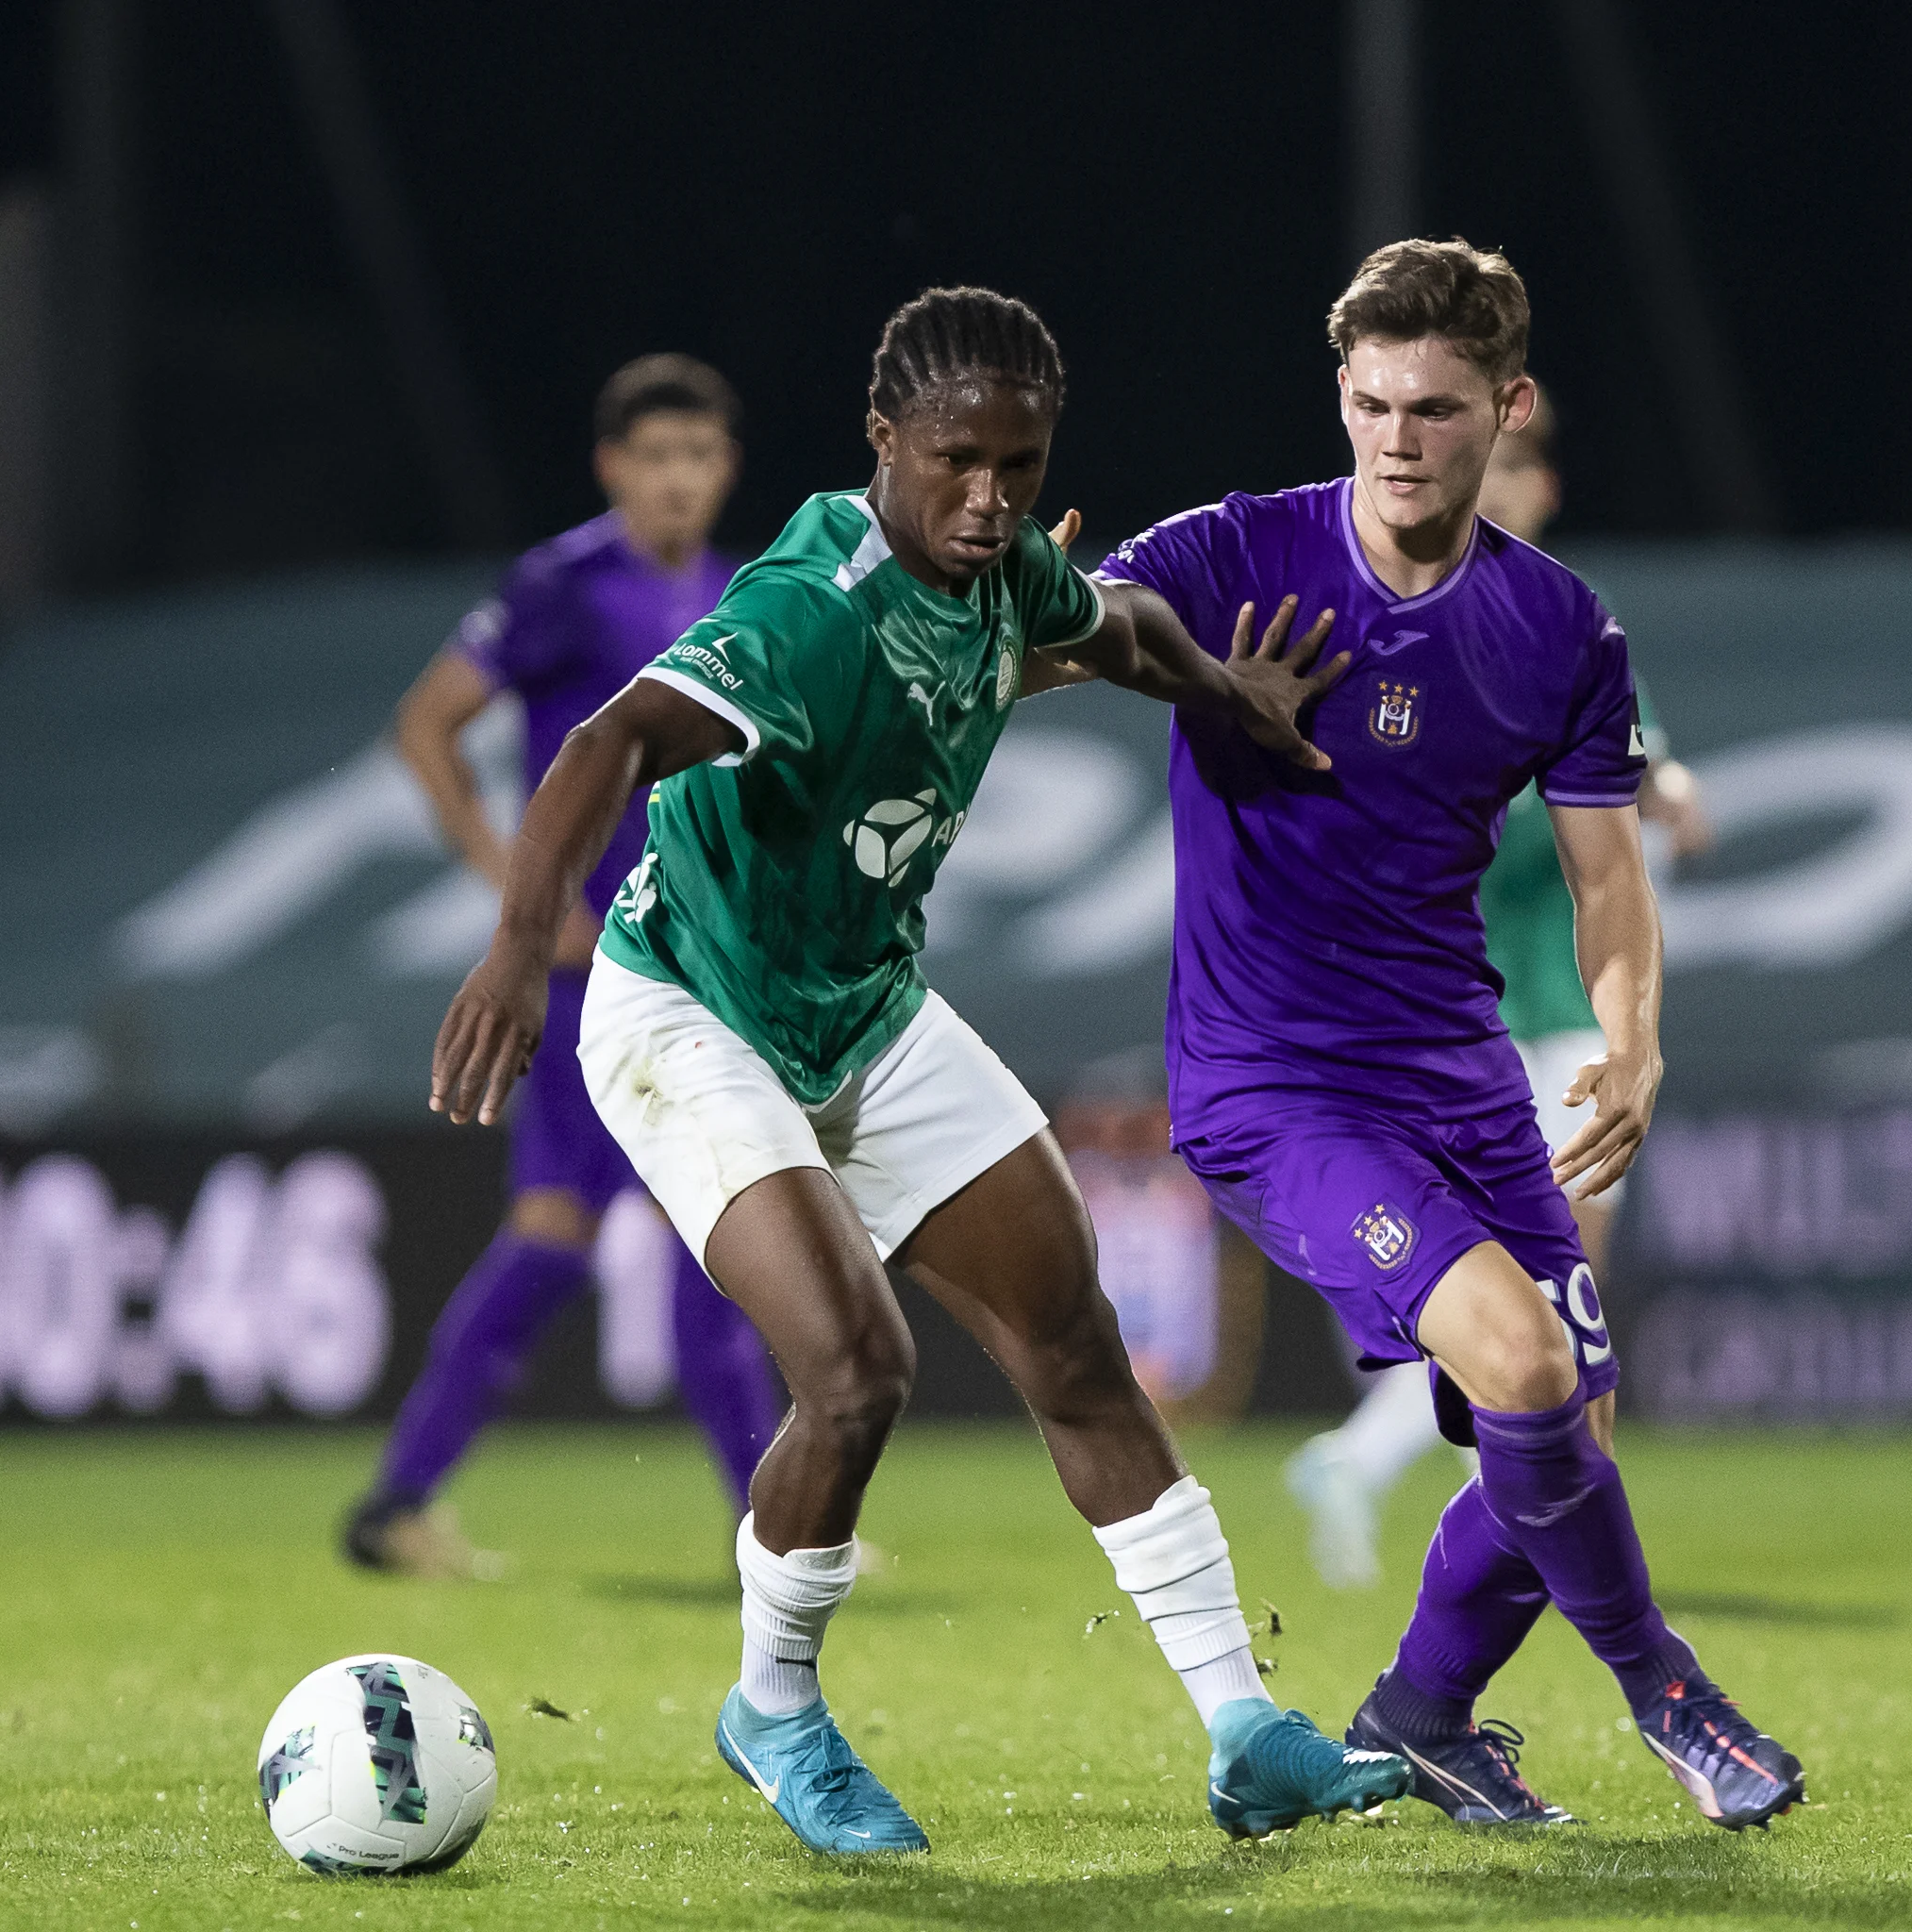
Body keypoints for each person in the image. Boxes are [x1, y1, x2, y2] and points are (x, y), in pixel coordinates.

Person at [428, 287, 1413, 1855]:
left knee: (1077, 1346)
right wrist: (509, 940)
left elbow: (1119, 622)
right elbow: (606, 739)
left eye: (1019, 466)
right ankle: (774, 1706)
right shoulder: (809, 605)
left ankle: (1245, 1726)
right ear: (881, 441)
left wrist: (1231, 697)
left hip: (866, 1007)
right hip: (691, 1010)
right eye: (956, 461)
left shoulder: (1003, 559)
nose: (989, 499)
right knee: (856, 1366)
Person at [1093, 240, 1803, 1831]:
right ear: (1339, 398)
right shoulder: (1237, 553)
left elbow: (1609, 881)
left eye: (1434, 406)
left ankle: (1417, 1712)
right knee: (1525, 1360)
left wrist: (1632, 1038)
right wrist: (1200, 677)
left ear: (1508, 405)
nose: (1397, 438)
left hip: (1460, 1071)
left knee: (1562, 1427)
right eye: (1370, 404)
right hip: (1275, 1082)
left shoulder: (1558, 628)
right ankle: (1666, 1691)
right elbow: (1064, 625)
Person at [342, 355, 785, 1580]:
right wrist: (517, 893)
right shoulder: (564, 584)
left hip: (696, 965)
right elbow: (428, 723)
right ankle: (775, 1533)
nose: (680, 480)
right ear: (613, 469)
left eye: (700, 457)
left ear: (726, 469)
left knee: (573, 1234)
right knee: (703, 1234)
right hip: (607, 976)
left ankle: (399, 1504)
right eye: (657, 458)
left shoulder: (734, 590)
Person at [1286, 385, 1717, 1591]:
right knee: (1545, 1289)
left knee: (1555, 1288)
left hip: (1572, 1021)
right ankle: (1494, 1516)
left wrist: (1666, 788)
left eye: (1515, 469)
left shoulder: (1570, 633)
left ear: (1541, 486)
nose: (1499, 489)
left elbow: (1636, 760)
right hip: (1471, 1023)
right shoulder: (1409, 627)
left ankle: (1407, 1483)